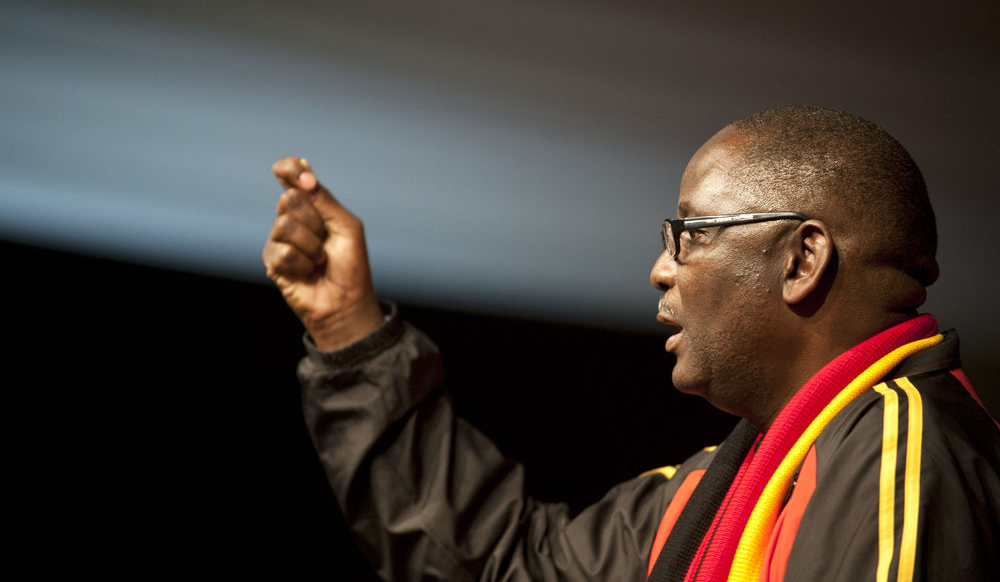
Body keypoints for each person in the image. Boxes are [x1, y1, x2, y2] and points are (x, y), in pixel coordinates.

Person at [262, 107, 1000, 581]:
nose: (659, 270)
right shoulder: (719, 487)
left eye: (689, 234)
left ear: (802, 261)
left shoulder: (905, 455)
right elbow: (500, 564)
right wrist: (348, 330)